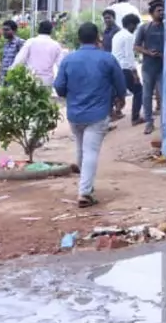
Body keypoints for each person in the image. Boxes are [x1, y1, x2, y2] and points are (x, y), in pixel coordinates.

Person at [54, 23, 127, 208]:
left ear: (79, 38)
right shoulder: (107, 59)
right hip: (98, 113)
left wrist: (71, 94)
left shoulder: (68, 59)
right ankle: (84, 192)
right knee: (91, 152)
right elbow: (121, 85)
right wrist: (120, 100)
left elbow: (59, 87)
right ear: (98, 38)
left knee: (81, 148)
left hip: (75, 112)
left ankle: (85, 186)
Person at [134, 1, 165, 134]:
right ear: (151, 14)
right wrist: (148, 53)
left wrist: (164, 55)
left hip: (163, 67)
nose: (162, 13)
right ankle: (149, 122)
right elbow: (136, 46)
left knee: (165, 95)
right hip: (148, 67)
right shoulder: (144, 28)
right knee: (147, 95)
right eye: (159, 11)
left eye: (163, 10)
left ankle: (165, 122)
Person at [112, 13, 143, 123]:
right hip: (125, 68)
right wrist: (135, 74)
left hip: (115, 68)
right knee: (139, 91)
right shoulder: (129, 36)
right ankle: (135, 117)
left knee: (116, 93)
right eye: (135, 26)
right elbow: (129, 56)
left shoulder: (117, 35)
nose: (135, 28)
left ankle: (112, 114)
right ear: (130, 25)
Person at [13, 20, 64, 84]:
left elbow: (20, 59)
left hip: (31, 80)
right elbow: (61, 65)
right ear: (51, 31)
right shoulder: (56, 45)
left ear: (39, 29)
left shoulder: (31, 42)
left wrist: (12, 71)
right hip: (47, 81)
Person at [0, 19, 24, 84]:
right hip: (4, 78)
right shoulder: (6, 44)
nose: (4, 32)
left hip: (14, 78)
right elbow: (4, 60)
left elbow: (23, 61)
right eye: (3, 30)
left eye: (7, 30)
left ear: (14, 31)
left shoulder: (20, 43)